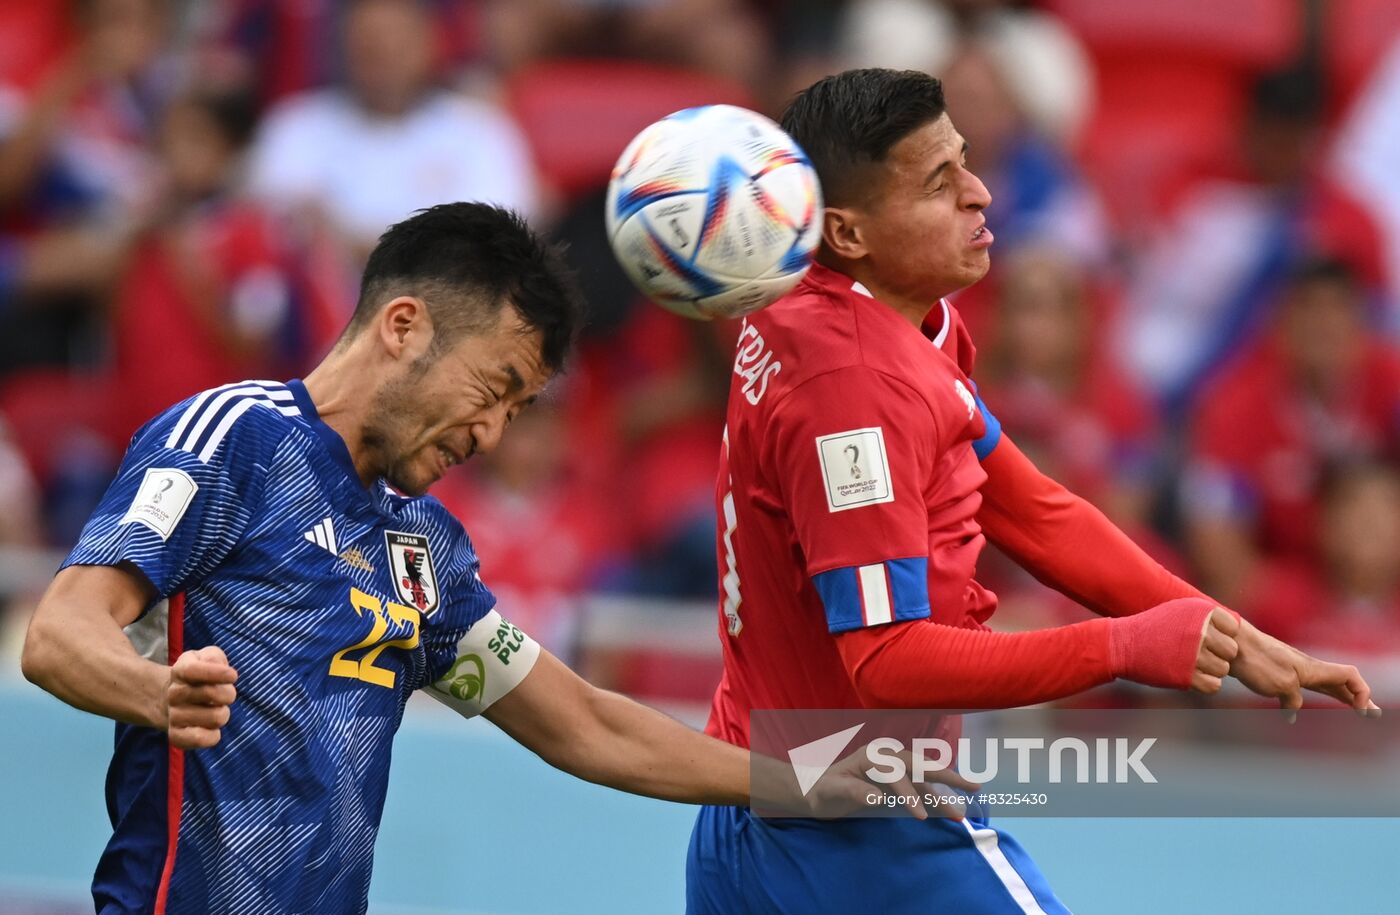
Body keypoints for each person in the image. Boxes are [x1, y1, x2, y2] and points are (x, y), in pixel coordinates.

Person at [18, 202, 910, 914]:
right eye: (493, 390)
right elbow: (58, 632)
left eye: (516, 412)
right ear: (404, 325)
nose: (490, 432)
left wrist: (813, 772)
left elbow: (585, 724)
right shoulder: (234, 440)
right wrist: (156, 692)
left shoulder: (426, 550)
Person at [685, 69, 1379, 914]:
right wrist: (1119, 646)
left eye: (965, 162)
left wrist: (1223, 630)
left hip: (757, 792)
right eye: (938, 184)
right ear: (849, 231)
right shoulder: (853, 387)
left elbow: (1028, 506)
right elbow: (888, 660)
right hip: (859, 814)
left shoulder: (849, 308)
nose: (979, 194)